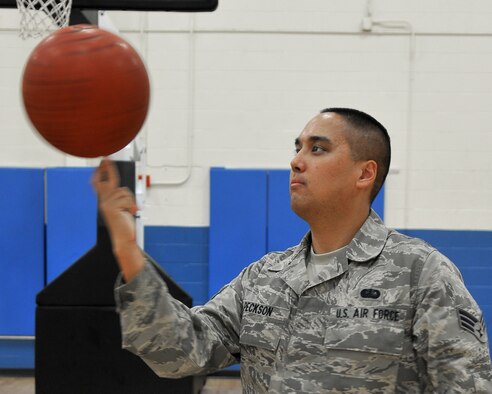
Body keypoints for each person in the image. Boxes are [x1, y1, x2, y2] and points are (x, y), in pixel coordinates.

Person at [93, 108, 492, 393]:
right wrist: (128, 250)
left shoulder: (419, 273)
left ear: (364, 173)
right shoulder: (265, 277)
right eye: (298, 147)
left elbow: (465, 385)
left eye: (317, 149)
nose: (296, 161)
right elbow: (179, 352)